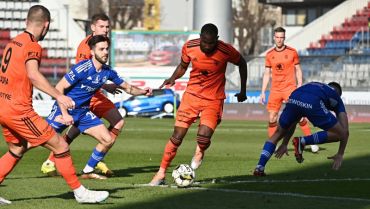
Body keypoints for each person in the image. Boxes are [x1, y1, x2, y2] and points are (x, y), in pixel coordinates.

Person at [0, 5, 108, 204]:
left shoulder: (13, 42)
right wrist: (58, 95)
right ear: (46, 25)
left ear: (26, 21)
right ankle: (80, 192)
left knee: (17, 149)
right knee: (59, 145)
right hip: (18, 110)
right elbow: (33, 75)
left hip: (3, 106)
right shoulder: (33, 45)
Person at [149, 23, 248, 185]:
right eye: (205, 42)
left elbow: (242, 63)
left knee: (203, 137)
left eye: (211, 43)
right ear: (200, 38)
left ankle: (200, 151)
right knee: (177, 136)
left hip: (213, 99)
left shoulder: (226, 50)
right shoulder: (189, 47)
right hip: (192, 97)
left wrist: (243, 90)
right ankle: (160, 173)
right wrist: (173, 77)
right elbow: (182, 66)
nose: (208, 46)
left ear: (217, 39)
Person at [46, 35, 152, 180]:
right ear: (92, 52)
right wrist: (64, 113)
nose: (105, 52)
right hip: (63, 110)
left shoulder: (107, 71)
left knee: (107, 139)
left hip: (83, 113)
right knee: (35, 140)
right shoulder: (82, 68)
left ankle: (87, 171)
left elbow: (127, 87)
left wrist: (143, 92)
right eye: (101, 49)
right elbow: (59, 87)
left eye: (107, 49)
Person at [41, 13, 123, 177]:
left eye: (107, 27)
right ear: (93, 27)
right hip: (86, 95)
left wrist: (108, 84)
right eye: (101, 26)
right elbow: (82, 74)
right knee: (73, 127)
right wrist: (106, 84)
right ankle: (53, 160)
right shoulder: (86, 46)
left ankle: (95, 160)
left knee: (116, 122)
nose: (105, 30)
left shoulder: (103, 44)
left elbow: (100, 72)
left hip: (96, 93)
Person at [253, 82, 349, 176]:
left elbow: (294, 121)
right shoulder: (337, 99)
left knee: (278, 134)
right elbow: (345, 132)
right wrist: (340, 154)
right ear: (338, 95)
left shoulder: (317, 85)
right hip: (312, 101)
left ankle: (259, 167)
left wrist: (284, 143)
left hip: (295, 96)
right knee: (340, 134)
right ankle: (303, 141)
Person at [260, 27, 319, 153]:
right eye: (277, 37)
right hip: (275, 90)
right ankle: (273, 143)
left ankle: (311, 140)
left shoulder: (292, 52)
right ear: (274, 37)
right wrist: (263, 91)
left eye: (282, 37)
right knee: (272, 117)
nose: (279, 40)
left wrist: (299, 85)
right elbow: (266, 73)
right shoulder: (269, 55)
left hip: (290, 89)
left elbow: (298, 69)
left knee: (299, 116)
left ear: (284, 38)